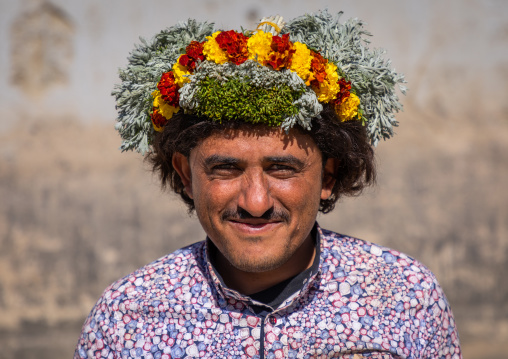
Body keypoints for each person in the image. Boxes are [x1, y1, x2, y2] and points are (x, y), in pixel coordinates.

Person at [75, 11, 461, 358]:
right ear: (185, 175)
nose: (255, 202)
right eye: (226, 168)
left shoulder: (404, 296)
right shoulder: (125, 320)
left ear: (327, 175)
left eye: (282, 168)